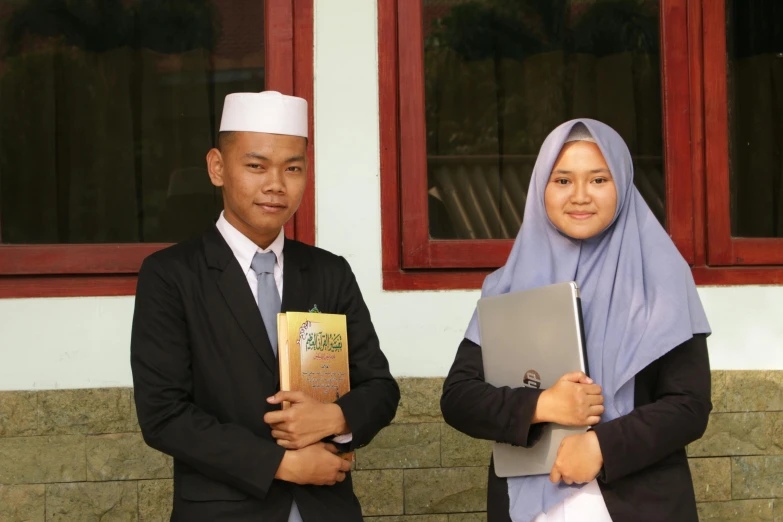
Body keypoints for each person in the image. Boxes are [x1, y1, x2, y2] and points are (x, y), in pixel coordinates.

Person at [130, 91, 400, 522]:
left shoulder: (329, 272)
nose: (276, 184)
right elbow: (164, 415)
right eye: (256, 166)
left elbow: (380, 389)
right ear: (217, 167)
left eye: (292, 168)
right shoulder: (171, 276)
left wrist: (335, 418)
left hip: (326, 508)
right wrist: (280, 464)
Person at [440, 119, 712, 522]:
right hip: (529, 508)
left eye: (599, 179)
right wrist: (542, 404)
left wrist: (602, 445)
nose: (580, 196)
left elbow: (689, 405)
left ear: (621, 183)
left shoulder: (662, 279)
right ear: (540, 189)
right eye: (563, 180)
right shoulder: (510, 285)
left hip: (642, 504)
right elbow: (460, 399)